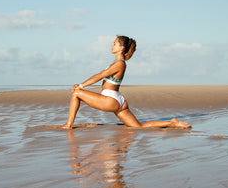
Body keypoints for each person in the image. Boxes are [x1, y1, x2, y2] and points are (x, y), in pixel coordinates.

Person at [59, 36, 191, 129]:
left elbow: (100, 76)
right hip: (118, 100)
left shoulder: (120, 64)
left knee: (76, 93)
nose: (112, 45)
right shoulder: (118, 63)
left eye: (115, 43)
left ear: (121, 48)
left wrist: (80, 86)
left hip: (110, 99)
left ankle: (68, 125)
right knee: (138, 126)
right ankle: (171, 123)